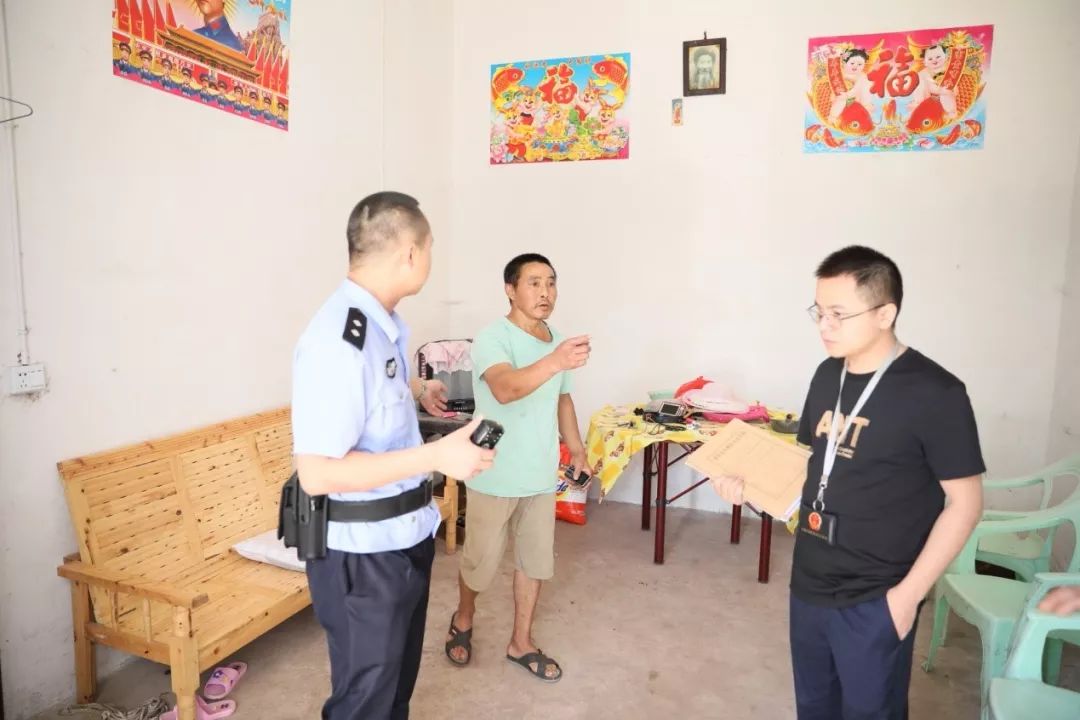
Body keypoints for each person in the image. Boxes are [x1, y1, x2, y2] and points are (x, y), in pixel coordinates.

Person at [713, 245, 985, 719]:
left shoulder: (936, 393)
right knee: (815, 707)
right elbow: (812, 472)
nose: (825, 326)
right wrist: (747, 484)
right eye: (819, 312)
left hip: (878, 594)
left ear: (885, 314)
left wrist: (906, 599)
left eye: (839, 314)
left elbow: (965, 504)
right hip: (809, 582)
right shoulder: (826, 375)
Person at [292, 191, 496, 720]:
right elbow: (317, 473)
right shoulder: (339, 340)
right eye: (429, 248)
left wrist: (413, 390)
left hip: (403, 536)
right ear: (410, 252)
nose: (430, 258)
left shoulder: (380, 325)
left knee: (394, 692)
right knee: (365, 701)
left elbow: (366, 403)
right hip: (364, 557)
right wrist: (437, 456)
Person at [444, 253, 591, 683]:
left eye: (551, 283)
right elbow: (505, 389)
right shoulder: (493, 337)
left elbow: (563, 398)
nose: (546, 292)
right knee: (480, 563)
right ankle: (464, 617)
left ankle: (520, 642)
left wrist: (576, 449)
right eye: (534, 283)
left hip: (540, 475)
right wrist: (556, 360)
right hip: (494, 471)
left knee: (534, 562)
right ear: (510, 290)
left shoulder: (555, 339)